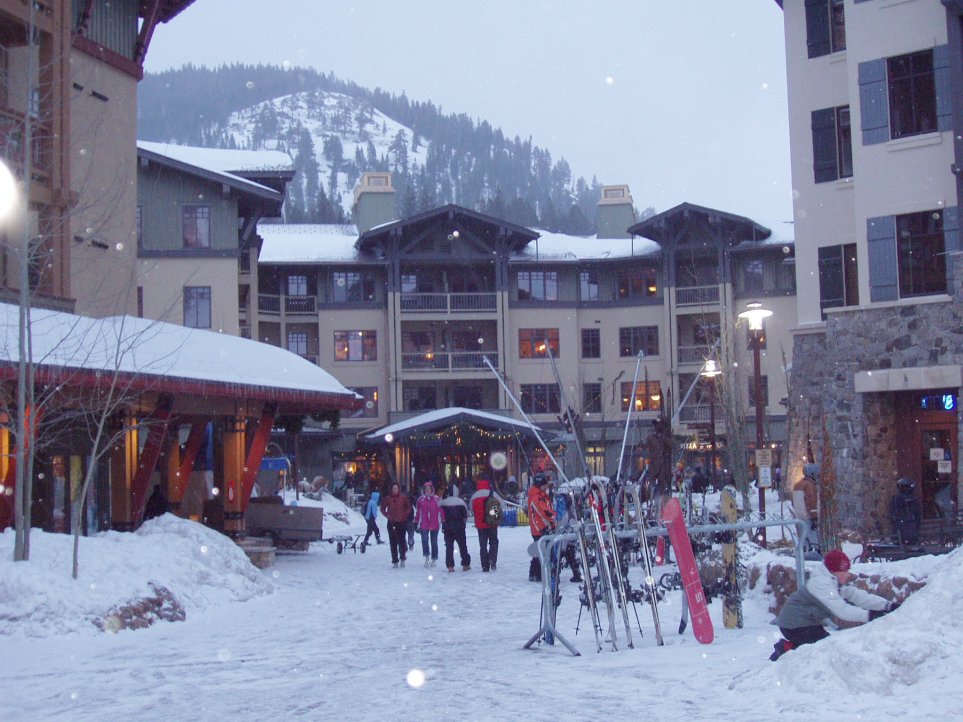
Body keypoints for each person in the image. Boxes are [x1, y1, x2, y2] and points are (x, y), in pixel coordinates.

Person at [770, 549, 897, 661]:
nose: (847, 574)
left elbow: (858, 596)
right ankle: (785, 649)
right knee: (824, 650)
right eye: (844, 571)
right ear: (834, 570)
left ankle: (791, 647)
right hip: (794, 624)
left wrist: (887, 606)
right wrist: (870, 615)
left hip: (806, 622)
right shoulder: (821, 584)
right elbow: (842, 610)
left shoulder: (834, 581)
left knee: (822, 648)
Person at [527, 475, 556, 582]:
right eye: (544, 485)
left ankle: (533, 573)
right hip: (540, 528)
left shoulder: (537, 494)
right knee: (541, 552)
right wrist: (554, 517)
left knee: (538, 551)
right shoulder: (537, 497)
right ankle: (539, 575)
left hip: (538, 527)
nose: (546, 487)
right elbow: (544, 512)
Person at [470, 477, 500, 572]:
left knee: (483, 545)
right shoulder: (492, 494)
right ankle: (492, 559)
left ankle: (485, 566)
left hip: (480, 525)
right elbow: (501, 504)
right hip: (492, 523)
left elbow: (471, 509)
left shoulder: (475, 496)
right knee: (494, 542)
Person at [380, 482, 412, 568]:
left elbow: (409, 507)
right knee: (393, 542)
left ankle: (402, 558)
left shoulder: (403, 498)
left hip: (401, 522)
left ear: (398, 489)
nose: (395, 490)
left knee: (402, 541)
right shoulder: (388, 498)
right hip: (391, 522)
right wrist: (387, 515)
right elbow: (382, 508)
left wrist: (404, 515)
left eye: (396, 488)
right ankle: (395, 561)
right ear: (391, 489)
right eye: (393, 488)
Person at [440, 485, 471, 572]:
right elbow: (466, 514)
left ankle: (450, 566)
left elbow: (440, 514)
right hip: (460, 527)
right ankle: (465, 564)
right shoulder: (461, 502)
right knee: (462, 546)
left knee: (449, 547)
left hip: (447, 528)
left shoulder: (443, 502)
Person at [793, 463, 820, 552]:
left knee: (803, 538)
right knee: (812, 537)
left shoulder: (797, 485)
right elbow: (811, 502)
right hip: (808, 516)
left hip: (799, 516)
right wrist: (814, 517)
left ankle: (804, 553)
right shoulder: (810, 485)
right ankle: (815, 552)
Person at [415, 481, 442, 568]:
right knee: (424, 540)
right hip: (424, 523)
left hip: (435, 523)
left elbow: (441, 511)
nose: (427, 490)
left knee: (434, 541)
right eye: (426, 489)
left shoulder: (437, 499)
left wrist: (443, 520)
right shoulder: (420, 500)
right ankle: (426, 556)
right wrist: (416, 521)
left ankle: (434, 558)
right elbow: (418, 512)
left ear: (432, 490)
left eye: (429, 489)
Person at [889, 477, 922, 545]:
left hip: (909, 530)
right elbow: (894, 515)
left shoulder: (912, 499)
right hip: (905, 530)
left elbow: (918, 515)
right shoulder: (897, 499)